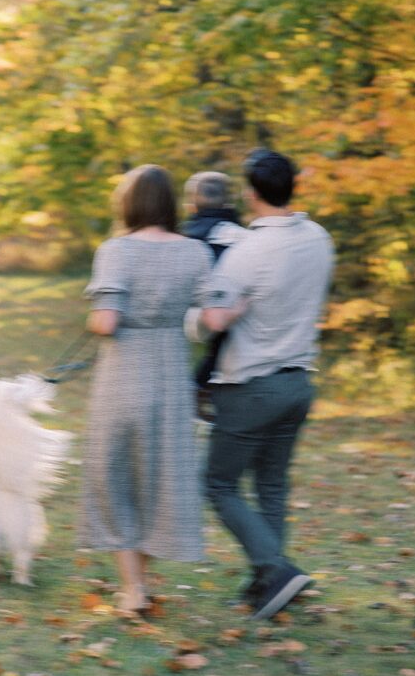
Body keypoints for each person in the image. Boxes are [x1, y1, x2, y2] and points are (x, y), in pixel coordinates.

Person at [187, 149, 334, 621]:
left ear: (251, 193)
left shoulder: (247, 252)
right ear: (293, 186)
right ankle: (269, 585)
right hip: (298, 383)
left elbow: (214, 318)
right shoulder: (319, 239)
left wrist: (189, 318)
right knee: (271, 485)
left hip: (250, 387)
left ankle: (276, 569)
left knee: (217, 483)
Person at [81, 164, 213, 614]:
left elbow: (105, 321)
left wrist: (93, 316)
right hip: (172, 374)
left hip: (123, 374)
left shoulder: (116, 251)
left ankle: (132, 589)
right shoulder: (196, 253)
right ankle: (142, 580)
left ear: (129, 204)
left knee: (114, 476)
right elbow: (209, 320)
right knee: (160, 477)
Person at [182, 172, 247, 393]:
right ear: (228, 202)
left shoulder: (179, 239)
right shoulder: (244, 238)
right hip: (232, 332)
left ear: (191, 205)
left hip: (187, 319)